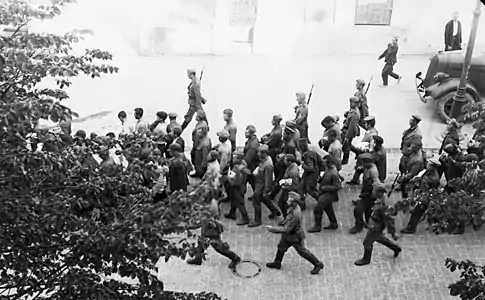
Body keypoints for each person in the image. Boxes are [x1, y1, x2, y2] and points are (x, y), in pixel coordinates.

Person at [266, 191, 324, 275]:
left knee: (302, 251)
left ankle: (318, 264)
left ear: (294, 202)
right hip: (289, 235)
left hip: (294, 236)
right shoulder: (292, 208)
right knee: (281, 246)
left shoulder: (295, 213)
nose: (287, 200)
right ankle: (277, 263)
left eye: (289, 199)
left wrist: (273, 229)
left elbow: (286, 229)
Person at [354, 185, 401, 266]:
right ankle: (396, 248)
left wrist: (393, 233)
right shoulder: (378, 201)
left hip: (375, 227)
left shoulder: (383, 206)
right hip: (373, 224)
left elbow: (389, 220)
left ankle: (366, 259)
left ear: (379, 193)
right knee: (381, 239)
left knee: (367, 243)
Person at [186, 199, 241, 269]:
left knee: (219, 248)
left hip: (211, 231)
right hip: (207, 229)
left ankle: (235, 258)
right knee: (200, 243)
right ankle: (198, 258)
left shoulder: (210, 207)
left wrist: (191, 226)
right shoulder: (211, 202)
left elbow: (203, 221)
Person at [400, 157, 441, 234]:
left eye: (428, 165)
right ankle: (436, 225)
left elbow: (427, 187)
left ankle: (411, 228)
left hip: (427, 196)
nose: (427, 166)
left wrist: (418, 180)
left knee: (417, 212)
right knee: (426, 213)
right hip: (423, 194)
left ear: (433, 167)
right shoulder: (428, 172)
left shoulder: (434, 178)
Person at [249, 145, 281, 227]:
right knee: (264, 199)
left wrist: (266, 190)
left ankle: (257, 220)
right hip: (259, 182)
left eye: (259, 152)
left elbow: (268, 179)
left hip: (261, 185)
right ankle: (274, 211)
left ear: (264, 153)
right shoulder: (264, 160)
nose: (257, 153)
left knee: (256, 201)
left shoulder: (268, 165)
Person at [308, 155, 341, 232]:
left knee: (318, 209)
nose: (323, 163)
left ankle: (317, 226)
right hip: (325, 193)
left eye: (324, 162)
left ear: (328, 163)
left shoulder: (333, 173)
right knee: (328, 208)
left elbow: (338, 186)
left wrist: (325, 188)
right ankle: (333, 223)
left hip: (329, 194)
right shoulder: (328, 169)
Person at [349, 153, 381, 234]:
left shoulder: (373, 171)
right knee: (368, 211)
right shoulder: (368, 167)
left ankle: (359, 226)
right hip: (366, 193)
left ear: (368, 162)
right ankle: (368, 223)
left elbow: (376, 184)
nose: (362, 164)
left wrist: (373, 195)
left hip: (369, 194)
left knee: (358, 210)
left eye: (363, 163)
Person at [224, 149, 251, 225]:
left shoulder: (240, 167)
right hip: (236, 186)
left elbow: (238, 179)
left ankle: (245, 218)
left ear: (239, 158)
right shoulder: (240, 164)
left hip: (238, 187)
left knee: (240, 202)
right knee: (233, 200)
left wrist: (229, 178)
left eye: (234, 158)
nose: (232, 159)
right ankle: (232, 213)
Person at [298, 138, 320, 210]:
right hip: (309, 173)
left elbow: (311, 168)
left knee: (310, 189)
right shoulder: (310, 152)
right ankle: (302, 204)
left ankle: (321, 201)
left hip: (311, 174)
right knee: (302, 187)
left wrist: (303, 165)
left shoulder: (309, 156)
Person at [277, 154, 300, 220]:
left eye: (285, 160)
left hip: (289, 191)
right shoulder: (292, 165)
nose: (284, 161)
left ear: (289, 162)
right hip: (287, 189)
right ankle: (286, 219)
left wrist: (284, 185)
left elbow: (294, 185)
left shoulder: (293, 172)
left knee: (285, 205)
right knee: (281, 203)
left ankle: (287, 219)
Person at [342, 97, 361, 165]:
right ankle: (357, 151)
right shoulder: (352, 110)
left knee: (346, 144)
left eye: (352, 103)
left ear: (356, 104)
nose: (350, 104)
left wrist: (347, 136)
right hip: (346, 128)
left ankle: (345, 160)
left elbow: (352, 126)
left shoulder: (355, 113)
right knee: (347, 144)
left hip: (350, 130)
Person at [243, 125, 260, 194]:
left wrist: (241, 165)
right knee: (251, 182)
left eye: (246, 133)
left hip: (251, 166)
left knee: (251, 181)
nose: (245, 134)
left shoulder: (253, 145)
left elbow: (248, 158)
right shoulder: (252, 140)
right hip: (251, 165)